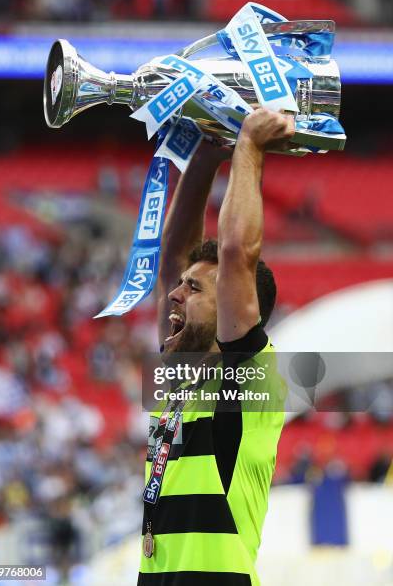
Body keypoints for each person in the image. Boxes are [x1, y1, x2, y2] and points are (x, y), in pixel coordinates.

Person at [138, 108, 295, 586]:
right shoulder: (177, 380)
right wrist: (204, 157)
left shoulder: (246, 377)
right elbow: (171, 263)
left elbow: (236, 254)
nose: (175, 295)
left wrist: (248, 144)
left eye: (196, 290)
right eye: (181, 287)